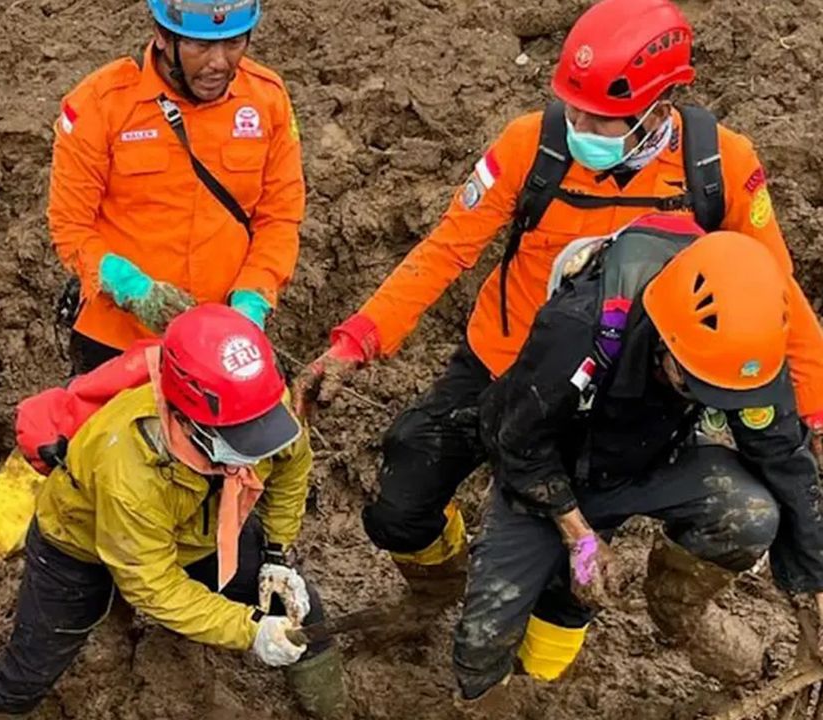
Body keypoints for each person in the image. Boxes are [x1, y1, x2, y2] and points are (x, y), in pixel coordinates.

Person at [291, 0, 823, 629]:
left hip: (623, 393)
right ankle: (438, 587)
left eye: (600, 118)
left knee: (573, 571)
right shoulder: (531, 146)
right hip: (503, 360)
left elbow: (775, 292)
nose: (579, 127)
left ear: (659, 109)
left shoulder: (717, 167)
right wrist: (357, 342)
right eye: (573, 108)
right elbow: (444, 251)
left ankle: (552, 653)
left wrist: (816, 410)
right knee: (401, 499)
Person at [453, 218, 823, 700]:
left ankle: (671, 602)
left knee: (751, 514)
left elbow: (784, 458)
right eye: (693, 382)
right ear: (666, 337)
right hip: (548, 473)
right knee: (482, 642)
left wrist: (815, 588)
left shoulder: (744, 353)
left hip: (651, 462)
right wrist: (580, 535)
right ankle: (495, 697)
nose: (705, 397)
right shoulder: (578, 329)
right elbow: (516, 441)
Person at [0, 305, 347, 718]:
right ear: (188, 420)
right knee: (36, 660)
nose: (256, 453)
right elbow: (153, 584)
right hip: (78, 543)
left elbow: (292, 464)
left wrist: (276, 554)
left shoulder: (258, 401)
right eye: (243, 440)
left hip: (201, 524)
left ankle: (333, 712)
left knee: (299, 608)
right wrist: (250, 630)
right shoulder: (130, 468)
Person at [49, 0, 305, 374]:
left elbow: (279, 218)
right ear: (162, 36)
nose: (219, 62)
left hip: (221, 345)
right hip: (117, 342)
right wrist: (130, 288)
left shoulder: (267, 100)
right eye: (201, 46)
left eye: (234, 43)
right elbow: (70, 227)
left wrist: (252, 298)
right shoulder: (100, 103)